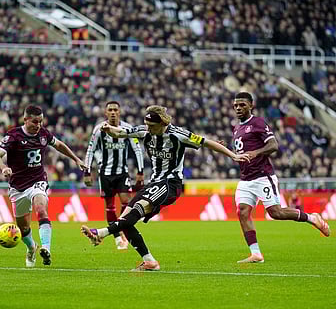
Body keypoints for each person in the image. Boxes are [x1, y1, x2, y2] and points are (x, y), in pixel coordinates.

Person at [81, 105, 250, 271]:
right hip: (154, 183)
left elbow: (207, 142)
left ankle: (100, 233)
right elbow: (119, 132)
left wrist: (233, 155)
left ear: (162, 123)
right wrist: (107, 128)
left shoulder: (178, 134)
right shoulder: (145, 130)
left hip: (170, 184)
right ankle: (149, 261)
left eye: (152, 126)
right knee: (125, 222)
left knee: (134, 213)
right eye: (147, 125)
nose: (149, 129)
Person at [231, 91, 330, 264]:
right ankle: (256, 254)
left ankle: (312, 218)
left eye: (242, 105)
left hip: (263, 176)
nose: (238, 108)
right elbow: (241, 151)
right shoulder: (236, 128)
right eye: (236, 105)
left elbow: (273, 145)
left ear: (251, 105)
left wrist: (256, 153)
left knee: (276, 213)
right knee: (243, 212)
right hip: (245, 179)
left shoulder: (258, 123)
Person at [0, 105, 86, 268]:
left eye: (41, 122)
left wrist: (76, 159)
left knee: (41, 208)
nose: (38, 125)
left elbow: (59, 145)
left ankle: (46, 249)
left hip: (38, 181)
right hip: (17, 186)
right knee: (23, 227)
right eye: (35, 122)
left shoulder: (43, 134)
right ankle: (31, 247)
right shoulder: (13, 135)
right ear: (25, 119)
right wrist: (3, 167)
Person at [84, 101, 145, 250]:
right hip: (105, 173)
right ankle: (118, 237)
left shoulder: (127, 128)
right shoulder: (99, 129)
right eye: (110, 110)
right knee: (110, 207)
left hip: (122, 173)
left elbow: (137, 149)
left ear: (119, 112)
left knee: (126, 203)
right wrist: (87, 171)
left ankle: (124, 232)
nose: (112, 112)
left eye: (115, 110)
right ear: (105, 113)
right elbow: (90, 150)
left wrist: (140, 171)